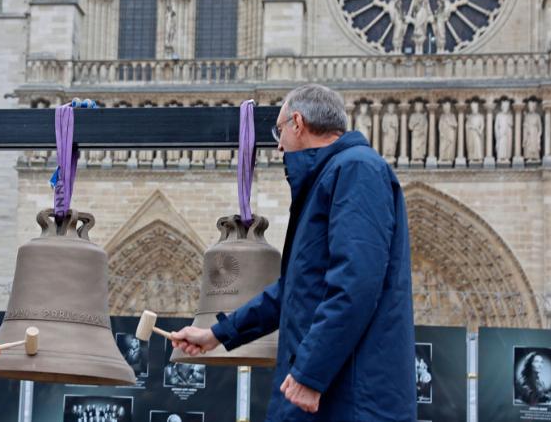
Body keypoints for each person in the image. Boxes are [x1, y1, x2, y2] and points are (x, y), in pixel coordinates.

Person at [171, 84, 416, 421]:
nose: (278, 143)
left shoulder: (357, 170)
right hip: (324, 394)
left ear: (298, 123)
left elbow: (355, 284)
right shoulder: (331, 177)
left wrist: (310, 374)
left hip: (351, 400)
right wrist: (217, 334)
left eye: (280, 129)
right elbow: (294, 291)